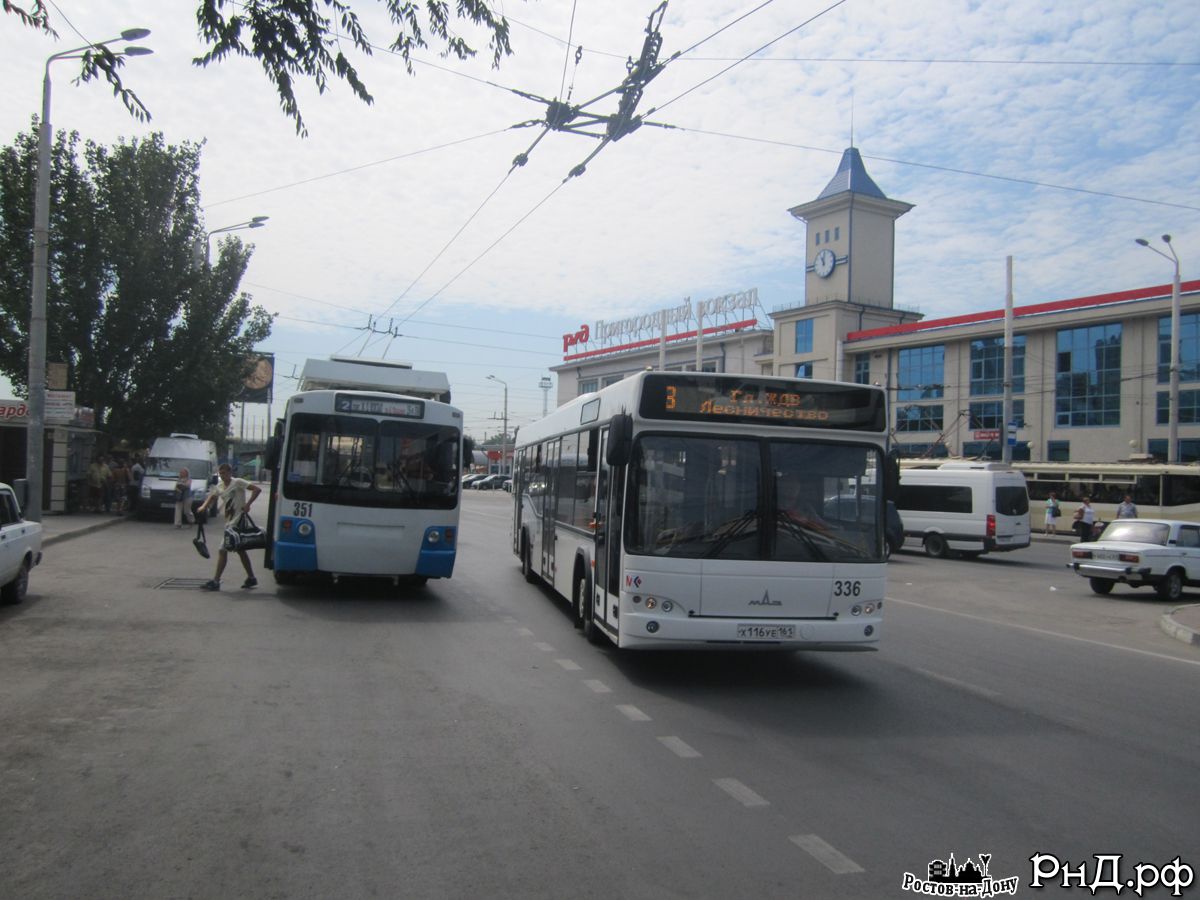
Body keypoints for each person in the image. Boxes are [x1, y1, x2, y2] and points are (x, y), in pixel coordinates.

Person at [196, 463, 262, 591]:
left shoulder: (237, 482)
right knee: (240, 550)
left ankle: (216, 581)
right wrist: (204, 506)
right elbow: (212, 496)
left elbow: (256, 489)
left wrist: (248, 504)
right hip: (229, 522)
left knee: (222, 550)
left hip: (237, 522)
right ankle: (251, 578)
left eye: (224, 473)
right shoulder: (220, 486)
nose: (223, 475)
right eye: (221, 474)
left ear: (230, 473)